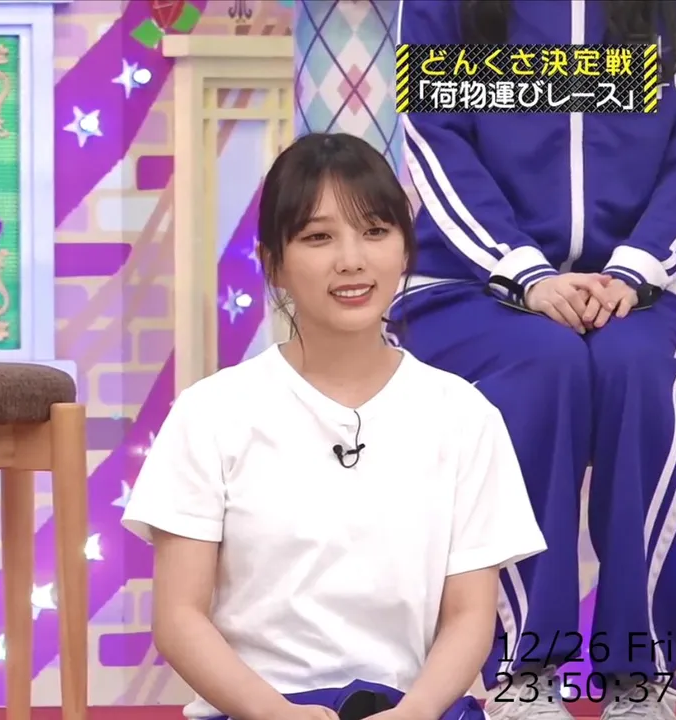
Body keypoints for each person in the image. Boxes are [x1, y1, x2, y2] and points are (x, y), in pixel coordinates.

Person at [122, 133, 547, 720]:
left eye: (375, 231)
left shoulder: (465, 415)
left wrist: (414, 712)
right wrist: (276, 714)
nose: (352, 259)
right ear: (273, 263)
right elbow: (178, 618)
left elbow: (470, 616)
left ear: (405, 250)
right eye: (318, 237)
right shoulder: (210, 413)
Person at [392, 2, 676, 718]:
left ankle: (641, 671)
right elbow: (434, 134)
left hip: (635, 287)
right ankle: (524, 668)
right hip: (472, 278)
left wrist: (635, 269)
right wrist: (524, 272)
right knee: (544, 366)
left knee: (635, 370)